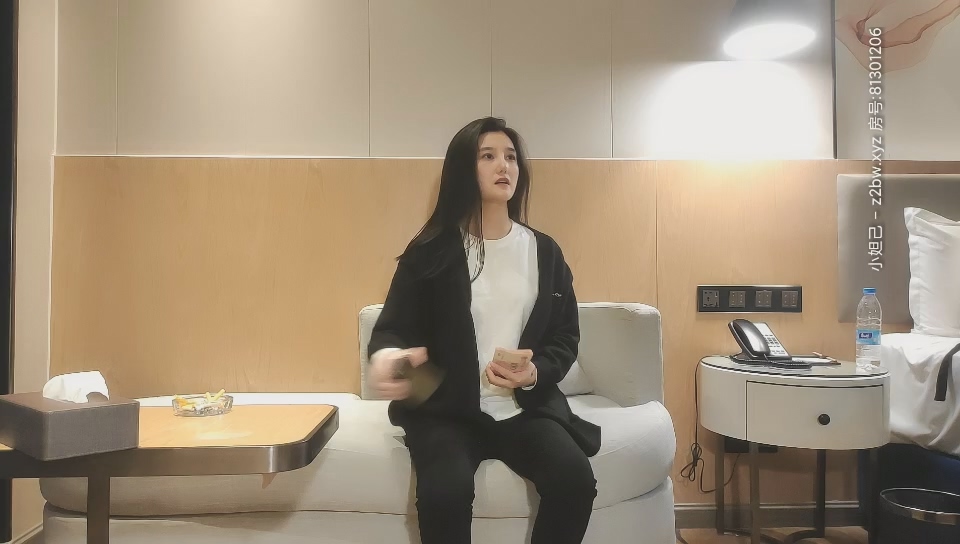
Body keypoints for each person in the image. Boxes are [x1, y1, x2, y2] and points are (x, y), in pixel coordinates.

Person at [367, 116, 600, 544]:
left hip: (525, 410)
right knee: (444, 493)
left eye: (511, 157)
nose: (503, 166)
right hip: (449, 413)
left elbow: (565, 335)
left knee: (575, 481)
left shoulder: (545, 252)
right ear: (463, 169)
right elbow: (390, 333)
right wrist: (392, 361)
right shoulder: (430, 252)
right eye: (488, 156)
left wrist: (535, 372)